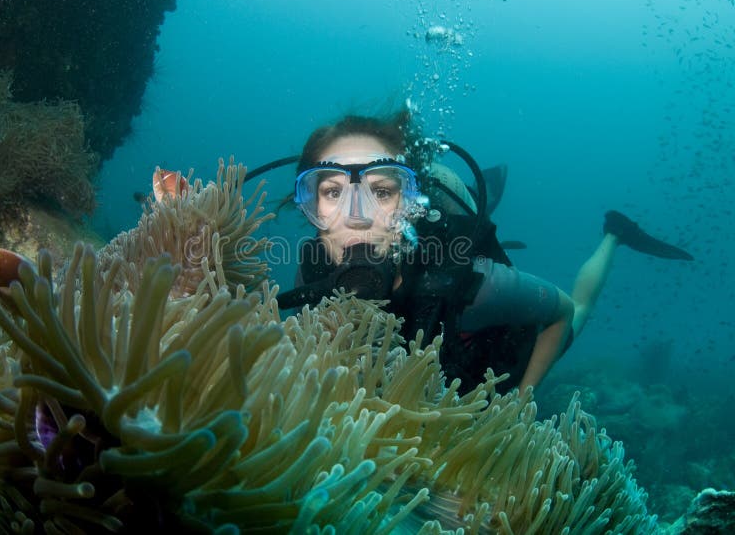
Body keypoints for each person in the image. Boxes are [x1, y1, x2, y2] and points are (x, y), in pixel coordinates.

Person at [275, 110, 693, 394]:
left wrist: (519, 408)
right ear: (309, 206)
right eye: (331, 192)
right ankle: (464, 196)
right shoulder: (314, 266)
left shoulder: (472, 283)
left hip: (491, 357)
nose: (356, 217)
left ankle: (614, 234)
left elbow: (563, 311)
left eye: (382, 191)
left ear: (409, 204)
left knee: (580, 313)